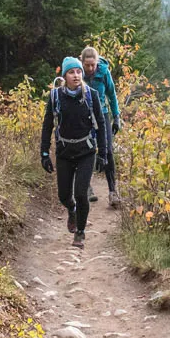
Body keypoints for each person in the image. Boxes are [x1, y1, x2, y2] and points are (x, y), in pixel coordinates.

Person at [40, 58, 105, 249]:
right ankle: (72, 210)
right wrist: (44, 153)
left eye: (78, 71)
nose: (76, 75)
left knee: (81, 194)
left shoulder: (91, 96)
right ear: (64, 76)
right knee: (63, 196)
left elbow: (101, 125)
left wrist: (104, 154)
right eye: (71, 72)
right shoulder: (55, 97)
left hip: (86, 151)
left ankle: (80, 232)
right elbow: (47, 125)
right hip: (64, 152)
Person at [81, 46, 123, 208]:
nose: (90, 68)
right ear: (82, 63)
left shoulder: (103, 72)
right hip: (84, 115)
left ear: (97, 63)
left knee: (108, 151)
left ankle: (113, 192)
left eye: (93, 65)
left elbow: (111, 95)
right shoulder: (78, 73)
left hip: (102, 114)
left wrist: (117, 117)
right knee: (85, 150)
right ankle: (87, 187)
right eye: (87, 65)